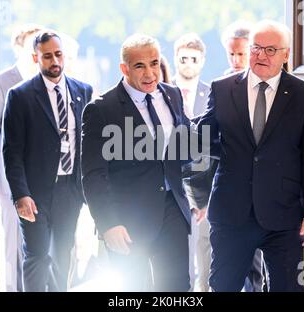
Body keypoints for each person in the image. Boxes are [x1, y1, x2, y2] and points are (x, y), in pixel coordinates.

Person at [196, 20, 304, 292]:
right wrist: (198, 193)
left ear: (286, 55)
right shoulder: (221, 90)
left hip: (284, 215)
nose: (261, 56)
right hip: (232, 214)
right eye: (256, 49)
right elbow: (203, 145)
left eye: (270, 50)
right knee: (223, 287)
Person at [81, 34, 191, 291]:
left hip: (172, 210)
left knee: (177, 289)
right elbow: (92, 174)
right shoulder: (101, 109)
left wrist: (196, 193)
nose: (150, 73)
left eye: (154, 63)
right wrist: (108, 223)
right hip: (126, 220)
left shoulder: (173, 95)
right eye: (140, 66)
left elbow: (183, 148)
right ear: (124, 68)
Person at [2, 30, 93, 291]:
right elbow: (13, 151)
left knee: (63, 256)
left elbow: (88, 143)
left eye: (58, 54)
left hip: (70, 191)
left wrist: (84, 190)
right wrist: (21, 195)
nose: (54, 61)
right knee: (38, 256)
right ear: (36, 58)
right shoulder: (20, 96)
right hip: (35, 193)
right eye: (47, 56)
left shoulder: (82, 90)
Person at [221, 21, 268, 292]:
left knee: (261, 266)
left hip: (266, 193)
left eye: (241, 53)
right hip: (233, 192)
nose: (237, 60)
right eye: (231, 54)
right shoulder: (221, 88)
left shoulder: (270, 85)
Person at [0, 23, 43, 292]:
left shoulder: (46, 83)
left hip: (42, 179)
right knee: (13, 248)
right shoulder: (2, 82)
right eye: (31, 46)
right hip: (11, 180)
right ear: (18, 48)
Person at [172, 32, 214, 292]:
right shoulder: (162, 92)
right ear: (176, 59)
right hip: (171, 181)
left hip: (204, 182)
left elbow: (214, 146)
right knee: (177, 248)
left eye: (194, 59)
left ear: (202, 61)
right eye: (183, 58)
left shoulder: (213, 94)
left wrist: (206, 192)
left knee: (205, 247)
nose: (188, 64)